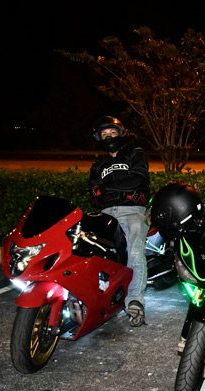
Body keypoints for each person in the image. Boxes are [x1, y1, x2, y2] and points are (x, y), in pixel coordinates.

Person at [88, 116, 151, 327]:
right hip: (106, 214)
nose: (109, 137)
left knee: (134, 253)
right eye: (104, 135)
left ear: (121, 134)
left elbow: (138, 179)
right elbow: (94, 194)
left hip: (133, 211)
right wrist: (123, 190)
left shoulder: (135, 154)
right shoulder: (98, 165)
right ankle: (102, 299)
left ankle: (134, 301)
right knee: (100, 255)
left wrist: (107, 188)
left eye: (112, 133)